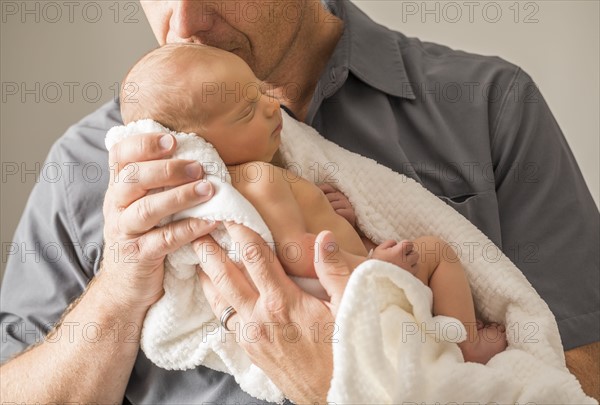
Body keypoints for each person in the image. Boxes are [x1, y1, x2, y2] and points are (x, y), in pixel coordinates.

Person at [0, 0, 597, 403]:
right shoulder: (90, 163)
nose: (183, 22)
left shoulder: (487, 106)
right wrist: (120, 290)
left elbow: (581, 376)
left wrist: (344, 383)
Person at [120, 42, 508, 364]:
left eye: (260, 91)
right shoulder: (258, 178)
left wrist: (342, 216)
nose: (272, 107)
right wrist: (370, 266)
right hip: (346, 285)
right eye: (246, 111)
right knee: (437, 252)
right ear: (201, 146)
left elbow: (302, 228)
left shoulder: (263, 173)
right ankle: (464, 343)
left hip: (348, 275)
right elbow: (295, 252)